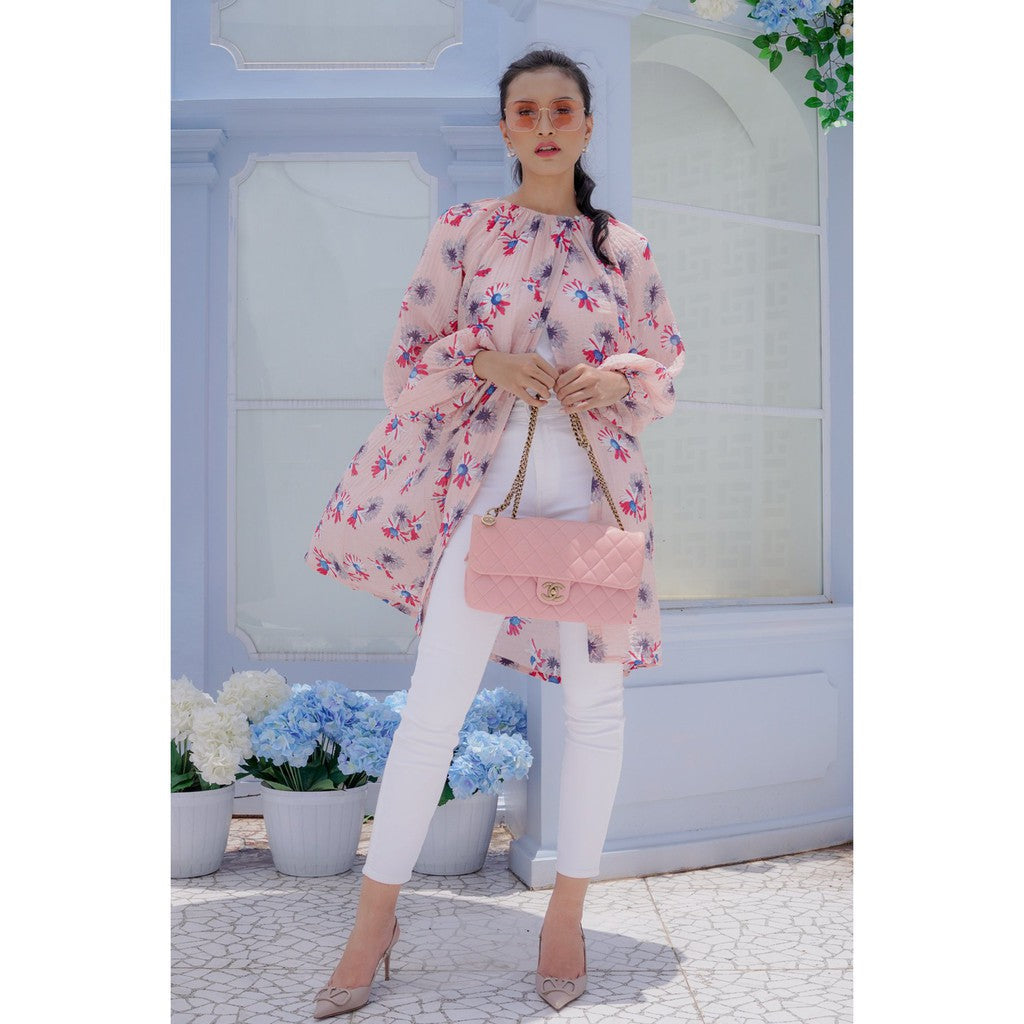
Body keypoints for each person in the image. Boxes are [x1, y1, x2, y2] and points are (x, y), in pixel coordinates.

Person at [308, 47, 686, 1018]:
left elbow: (664, 373)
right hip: (485, 492)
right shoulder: (465, 232)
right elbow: (405, 366)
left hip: (597, 497)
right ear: (507, 126)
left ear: (587, 124)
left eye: (563, 109)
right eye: (527, 110)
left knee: (596, 710)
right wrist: (486, 361)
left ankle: (566, 919)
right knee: (433, 710)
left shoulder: (626, 249)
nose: (545, 125)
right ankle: (373, 923)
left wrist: (617, 378)